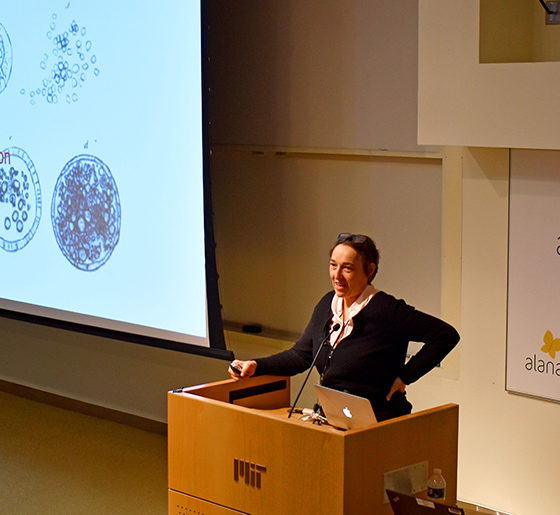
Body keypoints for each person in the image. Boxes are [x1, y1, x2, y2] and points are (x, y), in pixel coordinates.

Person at [228, 233, 460, 421]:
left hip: (378, 423)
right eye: (332, 265)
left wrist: (406, 376)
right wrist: (256, 365)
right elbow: (301, 355)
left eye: (347, 268)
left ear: (369, 271)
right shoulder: (327, 304)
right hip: (332, 418)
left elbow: (446, 335)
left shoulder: (387, 310)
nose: (336, 275)